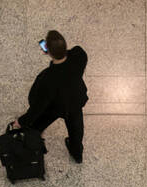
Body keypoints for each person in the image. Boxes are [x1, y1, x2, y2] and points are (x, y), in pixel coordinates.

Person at [10, 31, 88, 163]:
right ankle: (77, 153)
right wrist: (58, 51)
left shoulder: (48, 79)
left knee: (37, 124)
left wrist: (21, 121)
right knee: (76, 129)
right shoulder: (79, 55)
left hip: (56, 107)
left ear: (48, 52)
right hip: (75, 101)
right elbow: (72, 52)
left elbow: (37, 107)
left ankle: (32, 143)